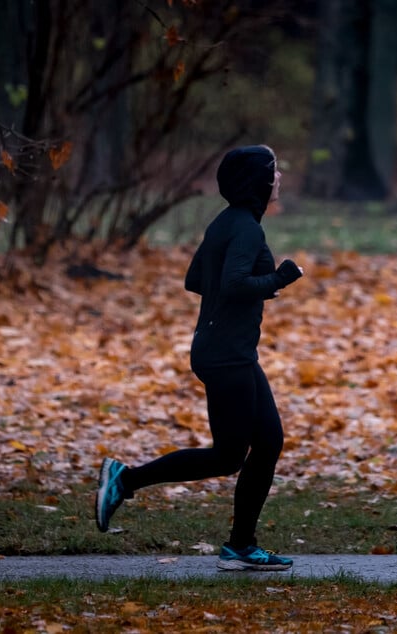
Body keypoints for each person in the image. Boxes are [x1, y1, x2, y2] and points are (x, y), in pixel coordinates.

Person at [94, 144, 303, 571]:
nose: (279, 177)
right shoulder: (246, 228)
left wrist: (252, 286)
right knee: (229, 456)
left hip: (226, 350)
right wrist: (278, 278)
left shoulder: (226, 223)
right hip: (226, 355)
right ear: (258, 181)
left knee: (267, 443)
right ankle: (125, 479)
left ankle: (240, 547)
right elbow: (232, 284)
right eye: (274, 170)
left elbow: (196, 279)